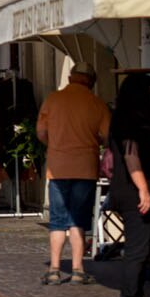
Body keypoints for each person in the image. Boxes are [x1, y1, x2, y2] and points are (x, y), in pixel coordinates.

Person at [35, 66, 111, 285]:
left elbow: (41, 132)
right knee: (78, 219)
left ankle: (54, 269)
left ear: (70, 78)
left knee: (57, 220)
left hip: (58, 167)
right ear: (92, 81)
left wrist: (56, 145)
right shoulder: (97, 104)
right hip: (85, 167)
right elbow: (107, 136)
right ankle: (78, 269)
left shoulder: (53, 100)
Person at [107, 73, 150, 297]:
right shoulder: (131, 120)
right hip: (134, 193)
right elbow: (131, 156)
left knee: (140, 250)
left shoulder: (128, 118)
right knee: (137, 250)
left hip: (133, 190)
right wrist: (144, 189)